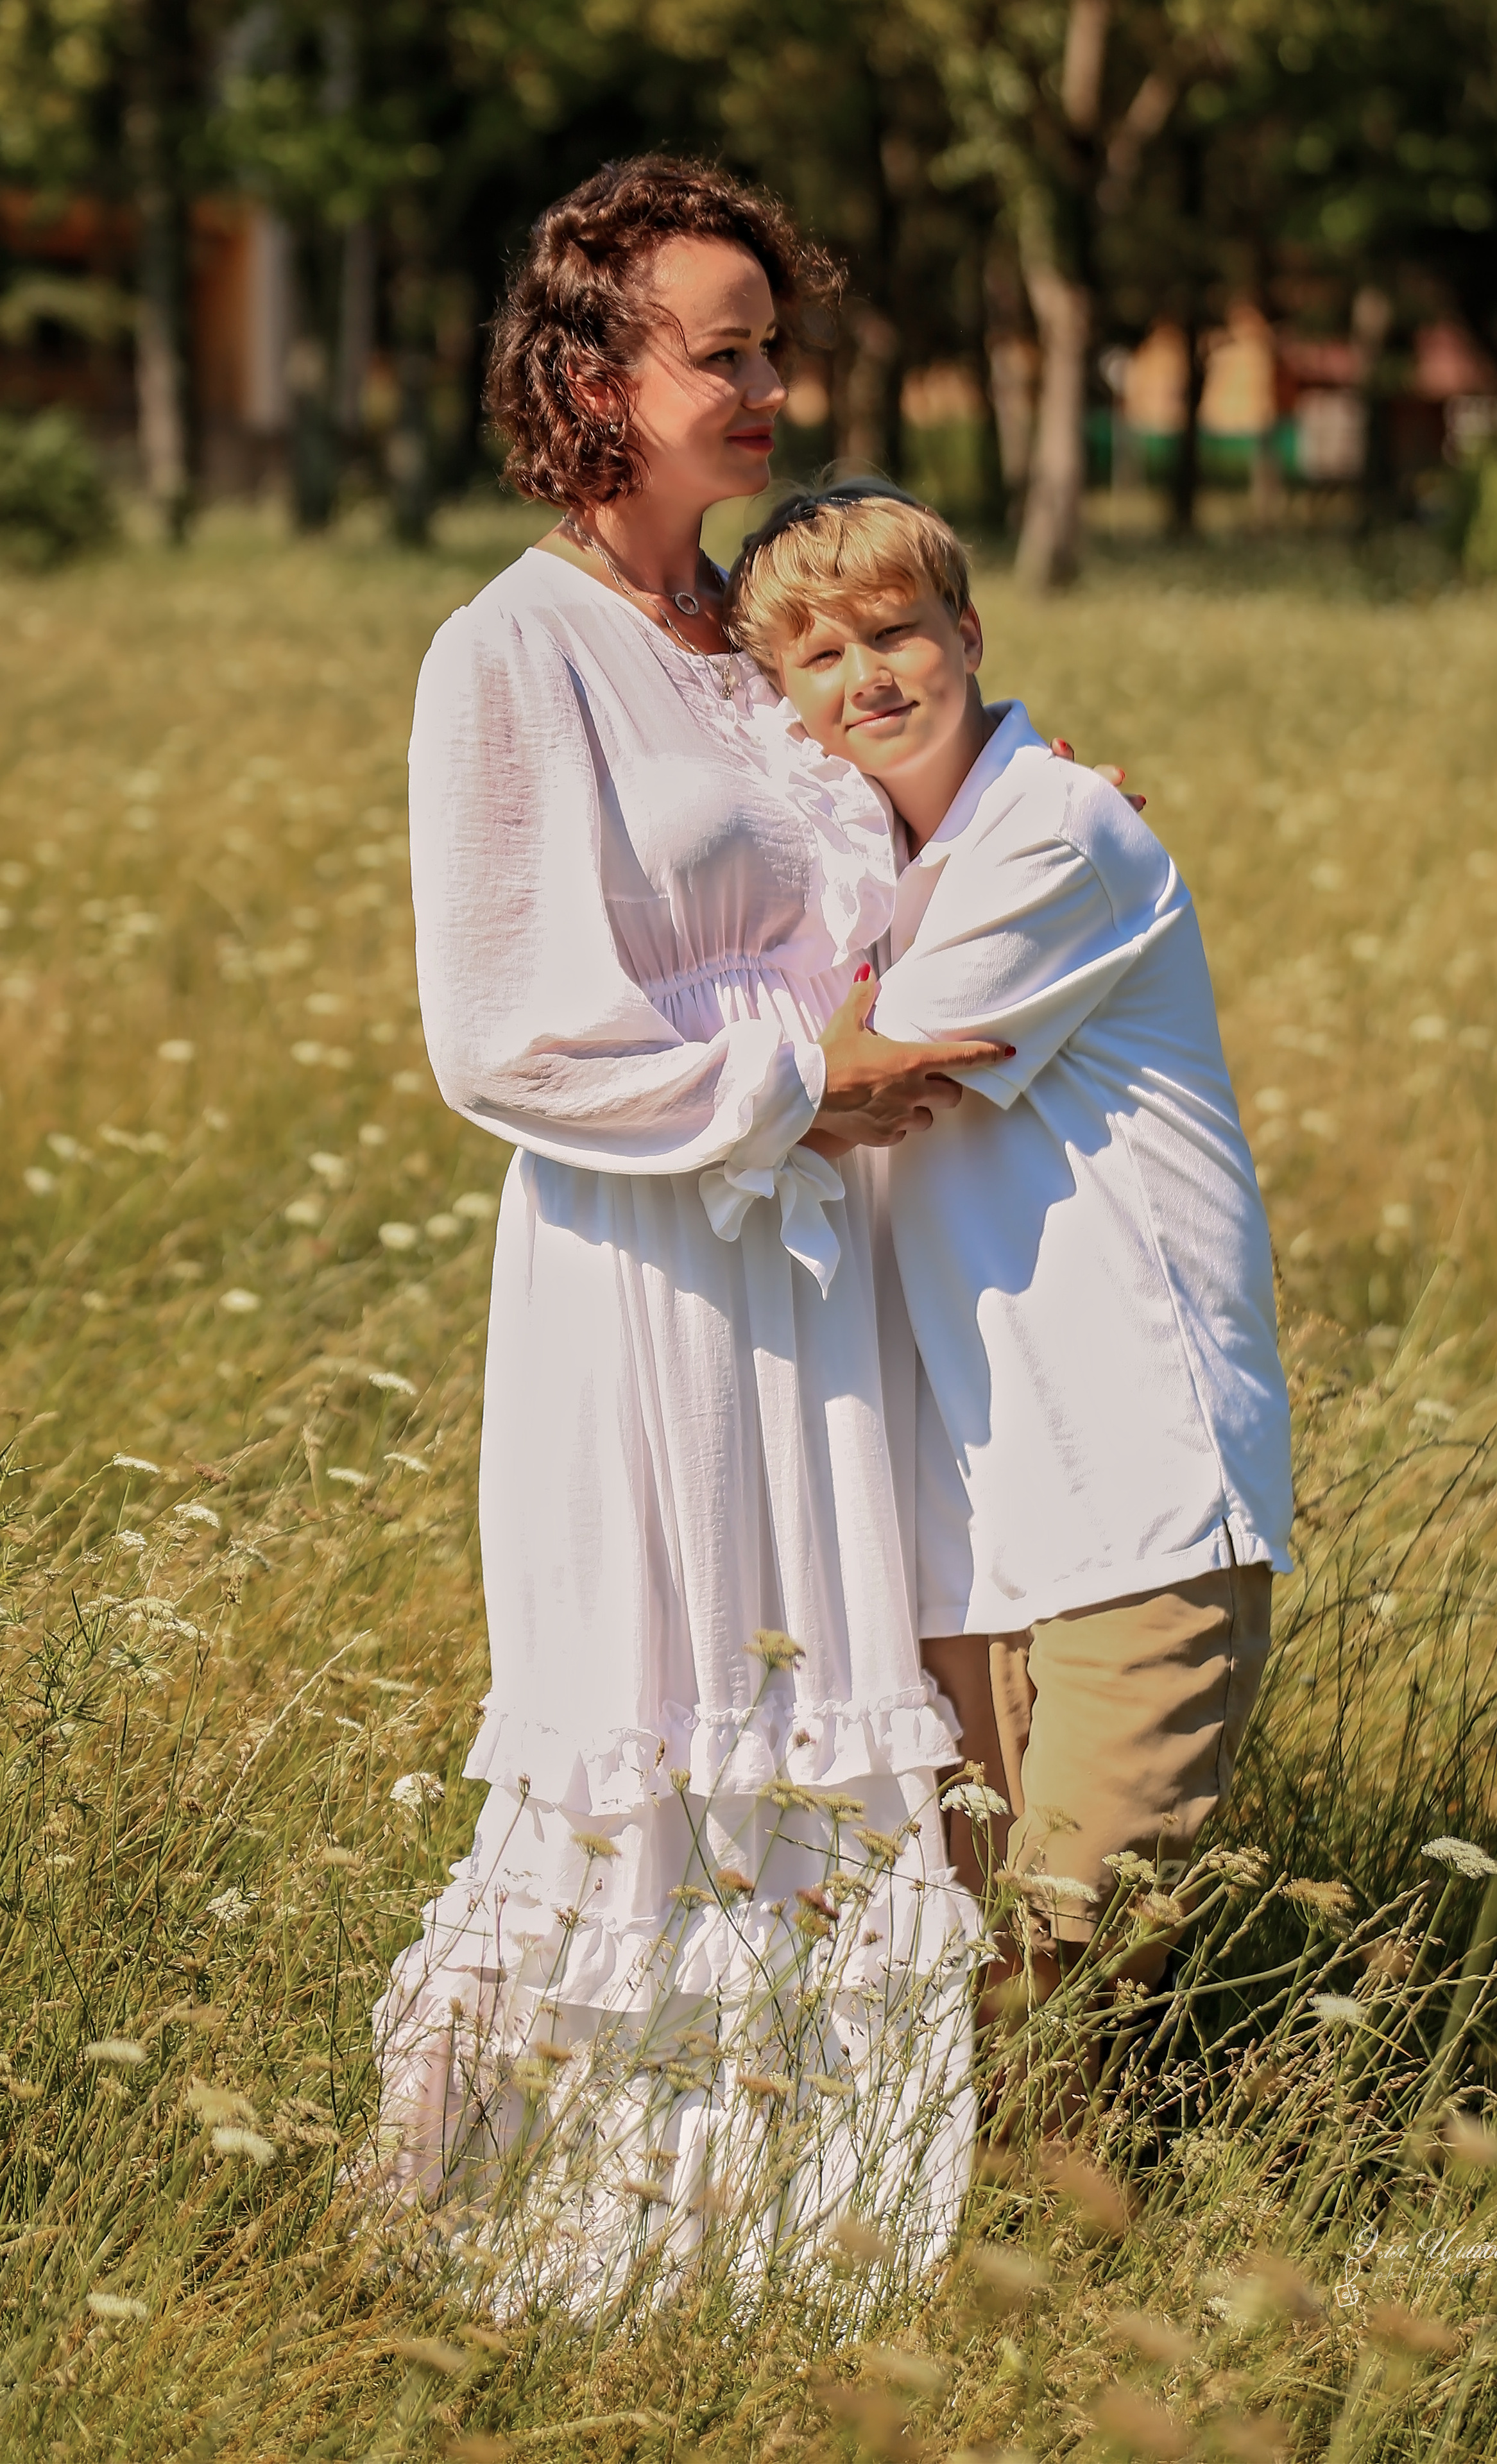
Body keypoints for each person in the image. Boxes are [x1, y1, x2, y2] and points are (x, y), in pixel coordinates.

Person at [372, 171, 1009, 2312]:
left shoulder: (756, 638)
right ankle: (557, 2230)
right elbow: (504, 1035)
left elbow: (887, 865)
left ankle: (824, 2230)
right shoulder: (509, 652)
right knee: (656, 1699)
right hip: (648, 1267)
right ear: (591, 380)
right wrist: (790, 1084)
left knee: (824, 1686)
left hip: (823, 1276)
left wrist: (1012, 821)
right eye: (718, 351)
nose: (766, 386)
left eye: (768, 346)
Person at [724, 484, 1292, 1989]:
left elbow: (843, 1083)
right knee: (962, 1982)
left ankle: (1097, 2233)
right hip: (965, 1525)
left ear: (966, 632)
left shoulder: (1052, 830)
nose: (869, 680)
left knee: (1069, 1969)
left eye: (896, 633)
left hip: (1133, 1500)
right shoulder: (901, 872)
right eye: (817, 663)